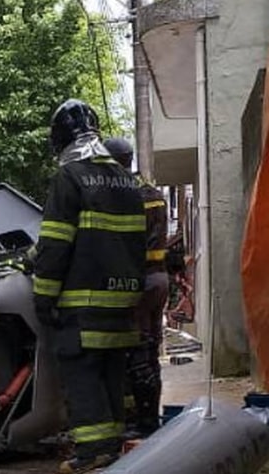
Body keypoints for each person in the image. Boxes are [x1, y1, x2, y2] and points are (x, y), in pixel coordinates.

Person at [31, 100, 147, 474]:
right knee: (112, 371)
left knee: (81, 373)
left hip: (82, 299)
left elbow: (56, 241)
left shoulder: (70, 177)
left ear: (61, 138)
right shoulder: (127, 180)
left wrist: (44, 295)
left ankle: (92, 450)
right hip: (123, 296)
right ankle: (111, 445)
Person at [104, 136, 169, 438]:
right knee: (150, 349)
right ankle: (149, 419)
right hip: (158, 278)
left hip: (139, 281)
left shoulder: (123, 195)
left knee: (137, 353)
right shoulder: (151, 192)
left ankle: (142, 424)